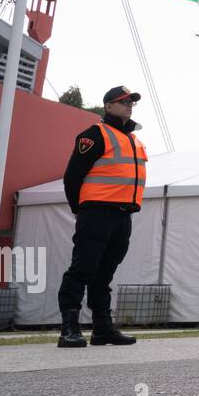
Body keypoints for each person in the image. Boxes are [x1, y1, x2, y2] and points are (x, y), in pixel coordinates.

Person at [57, 86, 148, 348]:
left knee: (104, 274)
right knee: (82, 269)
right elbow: (72, 176)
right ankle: (69, 328)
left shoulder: (134, 140)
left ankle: (102, 329)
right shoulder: (95, 135)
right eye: (123, 101)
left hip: (123, 216)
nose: (129, 105)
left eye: (131, 101)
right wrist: (80, 209)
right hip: (96, 212)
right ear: (108, 106)